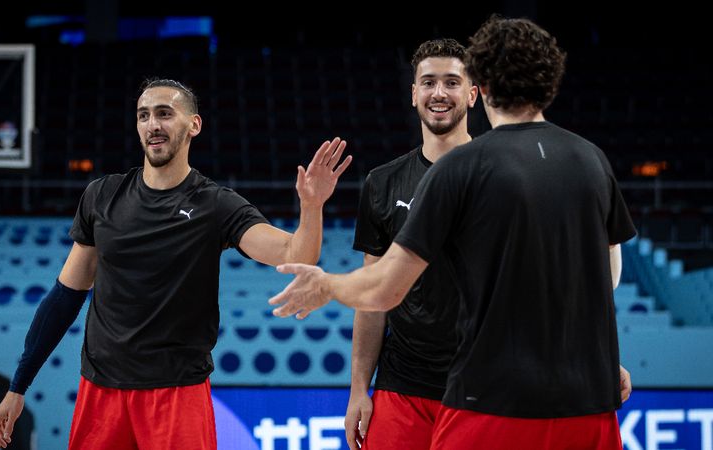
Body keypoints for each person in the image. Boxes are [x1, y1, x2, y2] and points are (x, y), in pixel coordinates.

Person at [270, 16, 635, 450]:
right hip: (585, 400)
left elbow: (386, 288)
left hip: (491, 400)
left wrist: (328, 284)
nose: (440, 93)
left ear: (480, 87)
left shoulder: (464, 167)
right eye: (428, 83)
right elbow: (605, 280)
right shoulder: (591, 160)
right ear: (550, 80)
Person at [0, 78, 352, 449]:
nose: (153, 125)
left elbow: (296, 255)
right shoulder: (102, 195)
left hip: (177, 393)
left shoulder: (215, 204)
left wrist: (311, 207)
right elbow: (64, 298)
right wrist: (19, 385)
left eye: (165, 114)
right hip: (101, 393)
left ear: (193, 125)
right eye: (143, 115)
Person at [344, 38, 477, 450]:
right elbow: (372, 297)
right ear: (413, 93)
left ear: (473, 94)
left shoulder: (502, 176)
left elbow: (535, 284)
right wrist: (358, 390)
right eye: (429, 82)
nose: (439, 93)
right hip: (402, 388)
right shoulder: (382, 183)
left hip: (484, 387)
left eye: (452, 82)